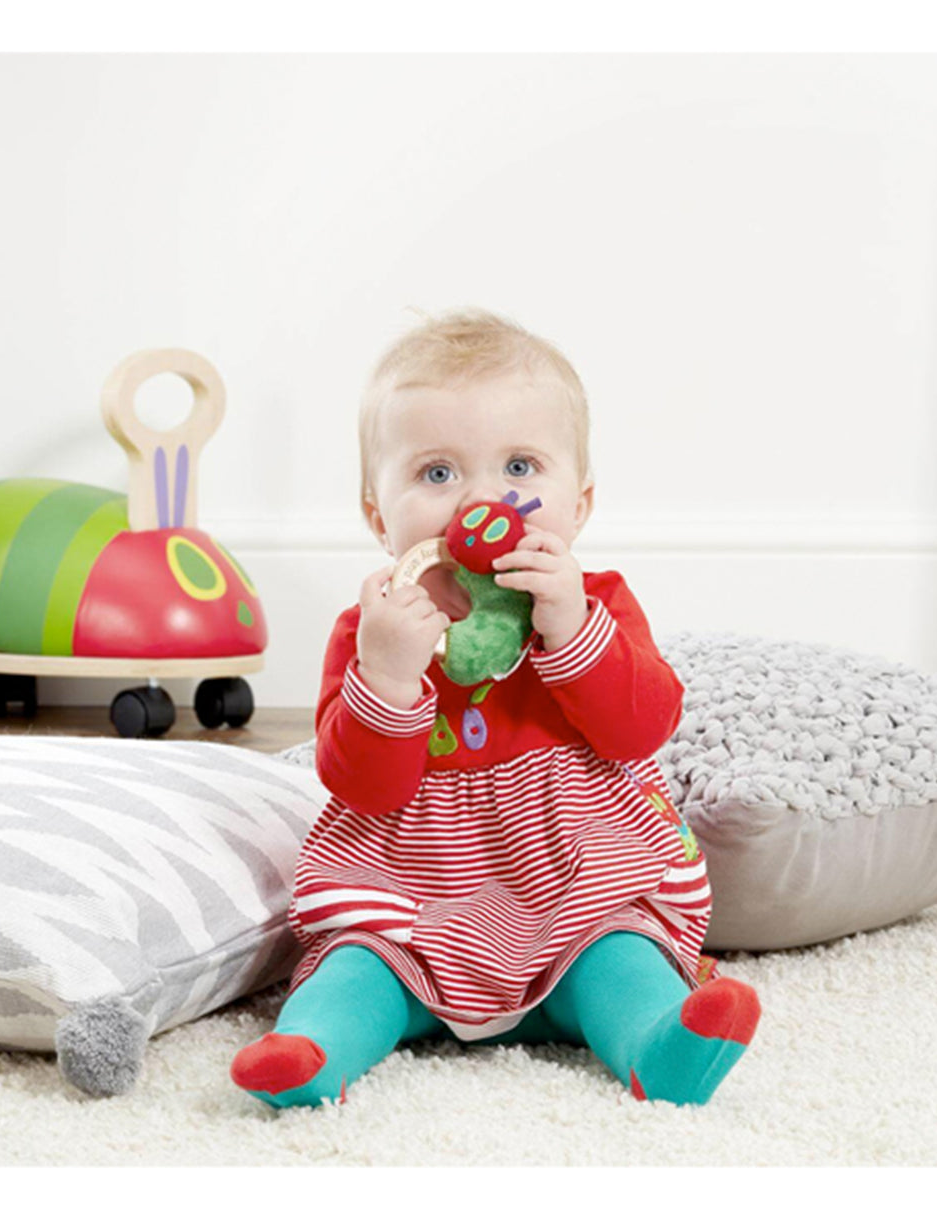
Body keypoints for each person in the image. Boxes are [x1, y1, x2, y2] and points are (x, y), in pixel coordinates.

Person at [231, 308, 760, 1108]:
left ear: (577, 505)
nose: (484, 504)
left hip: (573, 887)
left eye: (520, 468)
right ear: (380, 517)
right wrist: (392, 680)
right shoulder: (372, 631)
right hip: (417, 898)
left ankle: (660, 1044)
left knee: (622, 952)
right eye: (437, 475)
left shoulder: (598, 603)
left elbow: (642, 727)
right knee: (356, 961)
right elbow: (360, 786)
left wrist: (572, 631)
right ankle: (312, 1053)